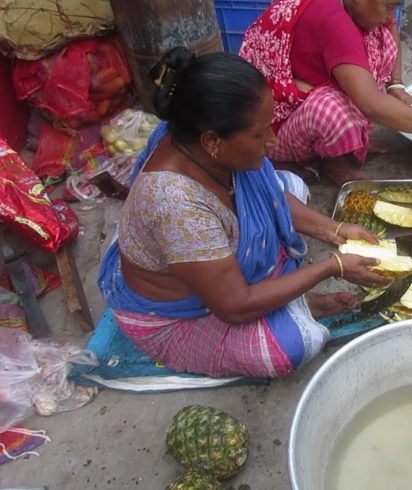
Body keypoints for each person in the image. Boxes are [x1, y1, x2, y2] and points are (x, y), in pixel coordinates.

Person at [97, 47, 393, 379]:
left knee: (291, 184)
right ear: (212, 141)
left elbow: (272, 196)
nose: (272, 140)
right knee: (291, 346)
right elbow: (234, 307)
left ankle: (283, 296)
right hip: (180, 314)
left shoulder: (200, 140)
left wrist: (335, 231)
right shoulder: (176, 205)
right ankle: (298, 305)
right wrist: (332, 266)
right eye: (258, 134)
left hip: (201, 256)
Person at [239, 0, 412, 185]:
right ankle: (332, 162)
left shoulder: (361, 8)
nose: (391, 16)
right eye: (388, 7)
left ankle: (345, 142)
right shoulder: (333, 21)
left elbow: (390, 28)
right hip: (272, 129)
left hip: (307, 91)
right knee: (333, 110)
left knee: (376, 44)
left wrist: (395, 83)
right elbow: (372, 105)